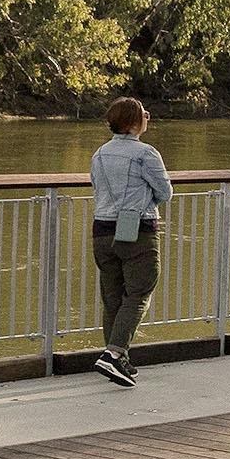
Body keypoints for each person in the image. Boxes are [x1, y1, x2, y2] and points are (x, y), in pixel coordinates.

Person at [90, 97, 172, 388]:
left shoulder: (99, 154)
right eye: (144, 115)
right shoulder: (146, 153)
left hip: (102, 230)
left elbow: (97, 188)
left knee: (113, 297)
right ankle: (113, 354)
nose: (148, 117)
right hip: (137, 229)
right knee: (139, 293)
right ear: (135, 122)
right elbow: (165, 191)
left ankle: (118, 360)